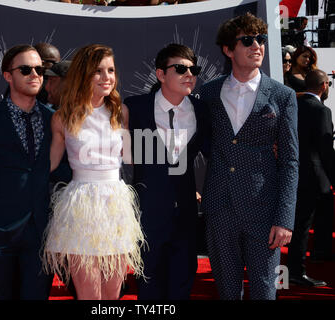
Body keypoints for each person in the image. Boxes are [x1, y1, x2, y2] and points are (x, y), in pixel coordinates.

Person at [199, 12, 299, 300]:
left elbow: (291, 161)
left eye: (261, 40)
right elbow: (202, 144)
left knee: (265, 291)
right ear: (228, 50)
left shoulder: (282, 96)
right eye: (248, 41)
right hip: (220, 207)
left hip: (264, 210)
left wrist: (285, 218)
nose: (257, 46)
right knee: (227, 291)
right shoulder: (209, 92)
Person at [42, 44, 145, 300]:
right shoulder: (63, 117)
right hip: (80, 206)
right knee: (89, 294)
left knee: (112, 294)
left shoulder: (121, 113)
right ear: (82, 74)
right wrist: (9, 176)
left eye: (110, 70)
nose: (107, 77)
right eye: (98, 71)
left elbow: (133, 158)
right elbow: (49, 163)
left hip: (116, 205)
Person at [0, 44, 55, 300]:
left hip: (42, 235)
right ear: (8, 75)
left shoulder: (55, 120)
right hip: (0, 234)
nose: (35, 74)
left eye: (39, 69)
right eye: (26, 69)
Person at [123, 43, 209, 300]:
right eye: (180, 68)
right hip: (147, 213)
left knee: (182, 283)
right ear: (161, 74)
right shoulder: (135, 107)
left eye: (194, 69)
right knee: (148, 286)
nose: (189, 74)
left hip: (185, 214)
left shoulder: (202, 111)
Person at [287, 70, 334, 287]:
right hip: (314, 178)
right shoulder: (321, 111)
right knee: (303, 226)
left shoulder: (293, 105)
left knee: (295, 225)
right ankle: (297, 272)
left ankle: (295, 269)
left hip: (293, 174)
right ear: (324, 86)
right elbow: (326, 150)